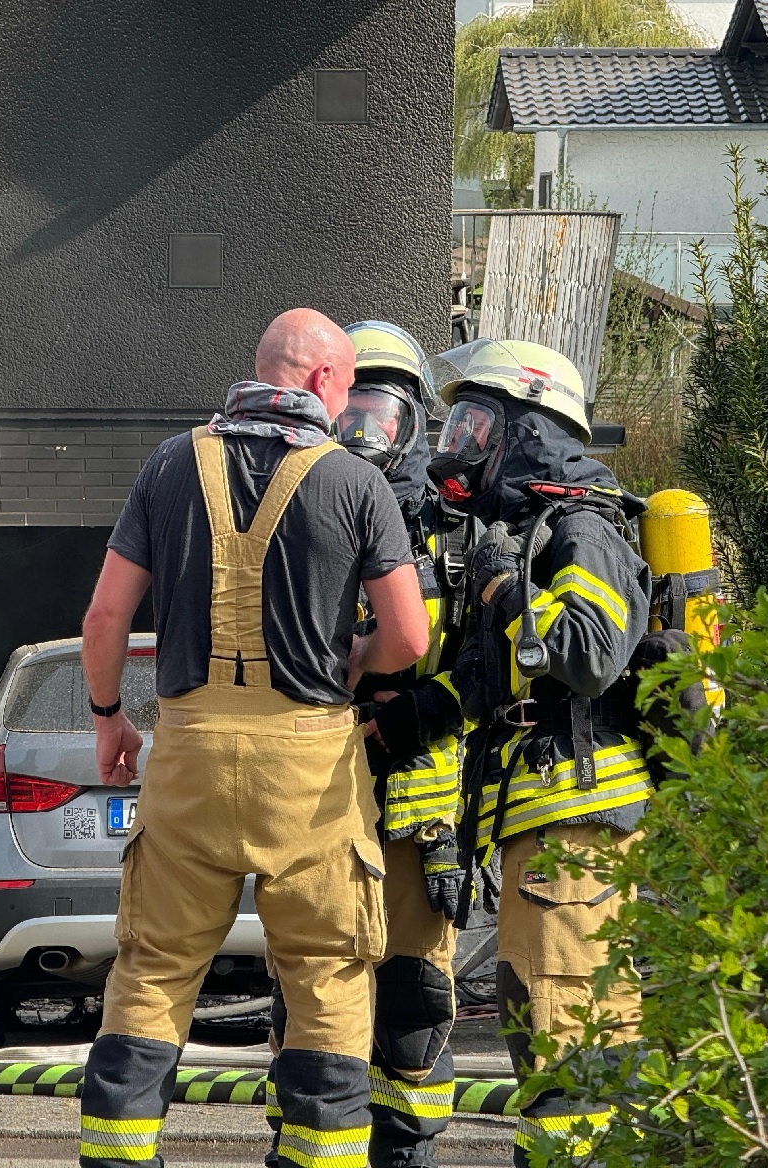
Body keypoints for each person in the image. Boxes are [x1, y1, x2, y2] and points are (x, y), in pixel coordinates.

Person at [77, 308, 431, 1168]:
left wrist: (108, 718)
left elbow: (106, 614)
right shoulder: (355, 482)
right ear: (319, 381)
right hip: (309, 765)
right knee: (325, 975)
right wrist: (352, 663)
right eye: (346, 386)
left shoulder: (169, 464)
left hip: (190, 751)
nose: (349, 404)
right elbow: (410, 640)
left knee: (155, 969)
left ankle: (120, 1154)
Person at [426, 339, 652, 1168]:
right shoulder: (521, 532)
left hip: (578, 824)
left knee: (571, 1035)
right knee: (543, 1027)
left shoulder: (582, 526)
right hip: (542, 826)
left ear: (529, 430)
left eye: (478, 422)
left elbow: (592, 654)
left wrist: (507, 590)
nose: (461, 440)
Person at [265, 320, 476, 1168]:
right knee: (310, 992)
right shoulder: (302, 507)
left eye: (385, 409)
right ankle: (309, 1144)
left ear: (417, 420)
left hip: (416, 820)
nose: (367, 427)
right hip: (316, 800)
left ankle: (406, 1152)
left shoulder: (449, 531)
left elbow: (479, 665)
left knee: (414, 1000)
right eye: (354, 404)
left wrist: (419, 712)